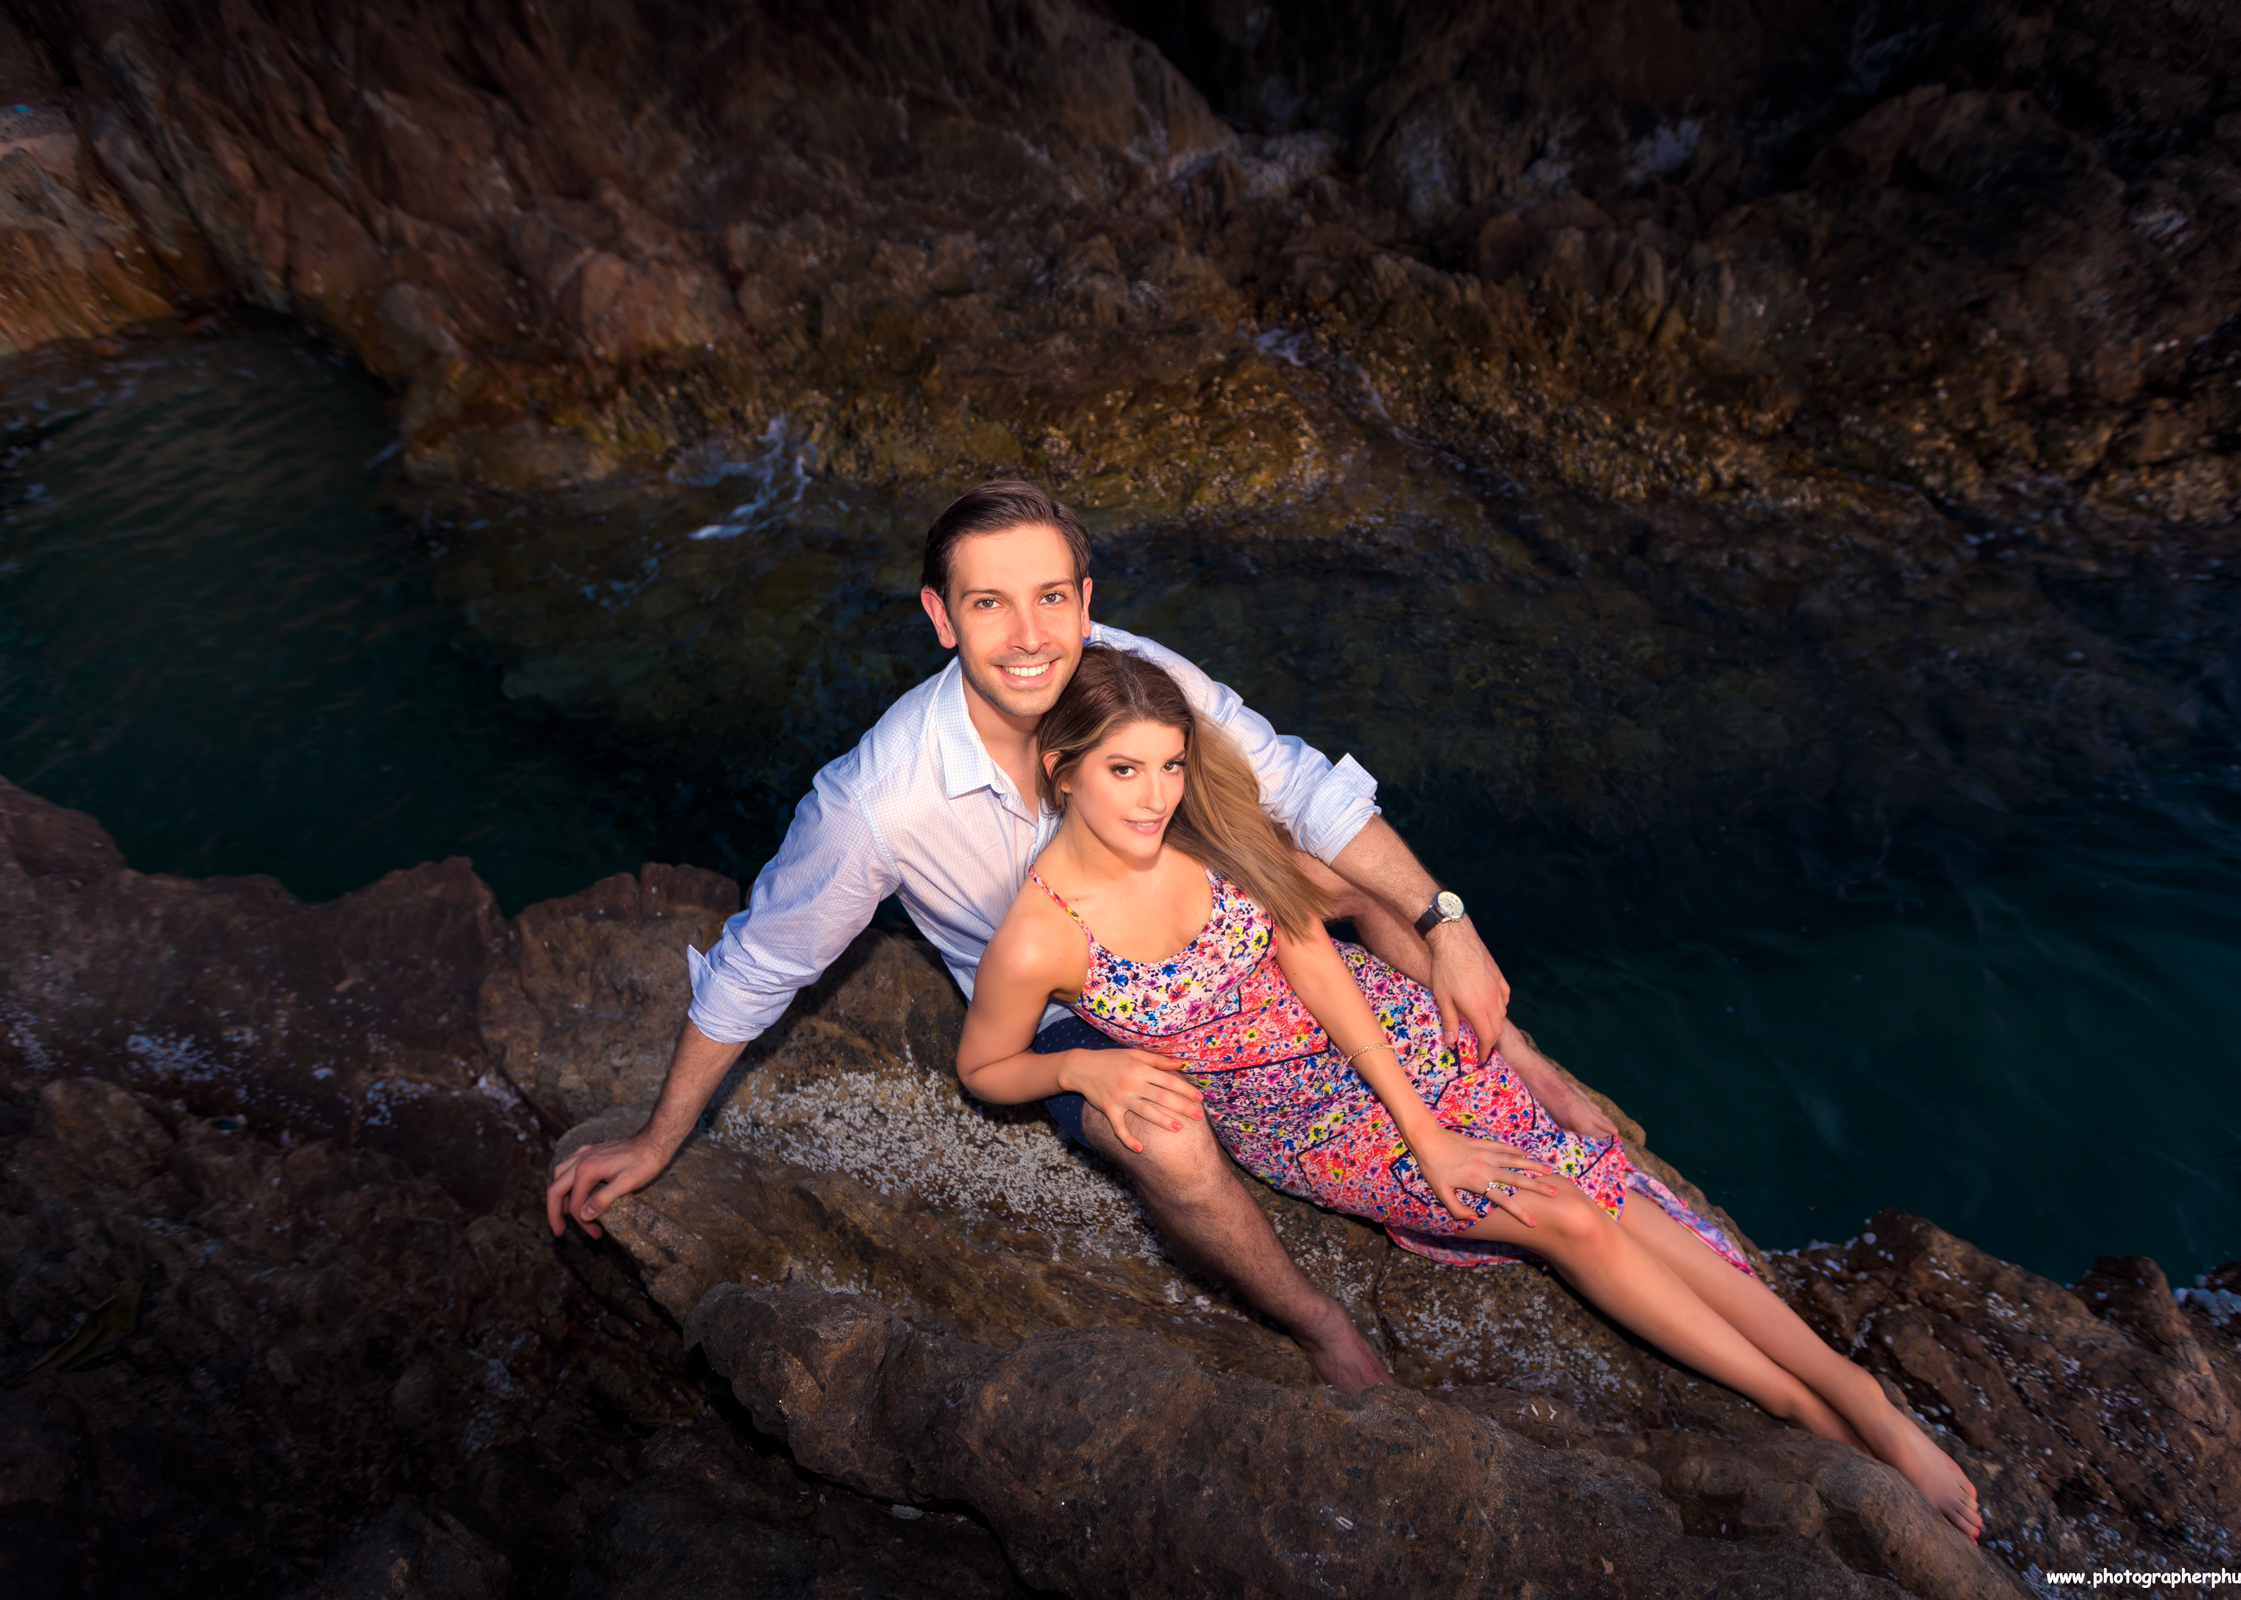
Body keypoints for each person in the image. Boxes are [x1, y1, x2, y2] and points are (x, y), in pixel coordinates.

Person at [546, 479, 1614, 1393]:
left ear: (1084, 599)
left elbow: (1296, 783)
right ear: (941, 617)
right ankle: (1317, 1320)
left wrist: (1447, 920)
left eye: (1051, 597)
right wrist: (658, 1138)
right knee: (1168, 1138)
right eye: (990, 603)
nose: (1030, 636)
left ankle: (1518, 1058)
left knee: (1361, 878)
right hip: (1071, 1005)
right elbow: (763, 963)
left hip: (1190, 913)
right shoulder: (878, 802)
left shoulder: (1127, 669)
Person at [954, 645, 1985, 1543]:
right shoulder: (1042, 935)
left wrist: (1426, 1122)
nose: (1154, 796)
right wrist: (1079, 1065)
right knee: (1562, 1212)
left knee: (1600, 1177)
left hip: (1376, 1034)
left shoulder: (1206, 838)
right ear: (1062, 767)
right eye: (1125, 770)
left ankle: (1856, 1394)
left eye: (1171, 765)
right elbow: (985, 1068)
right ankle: (1795, 1401)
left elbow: (1321, 967)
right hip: (1291, 1116)